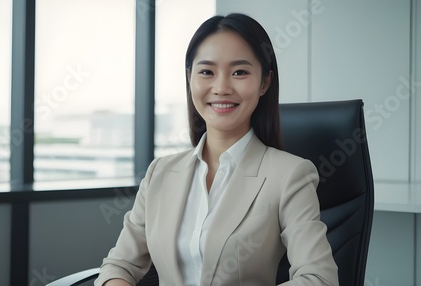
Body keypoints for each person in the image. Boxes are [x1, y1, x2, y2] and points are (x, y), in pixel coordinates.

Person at [95, 13, 339, 286]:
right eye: (207, 72)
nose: (221, 88)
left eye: (239, 72)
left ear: (264, 83)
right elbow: (120, 265)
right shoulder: (159, 173)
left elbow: (319, 278)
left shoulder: (290, 175)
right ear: (190, 79)